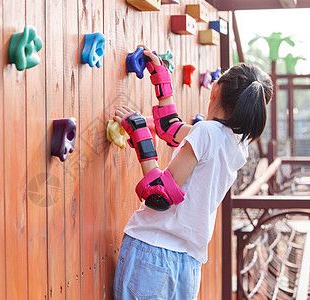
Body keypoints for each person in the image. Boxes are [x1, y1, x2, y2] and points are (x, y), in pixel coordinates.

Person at [112, 45, 273, 300]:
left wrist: (140, 134)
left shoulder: (207, 133)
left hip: (153, 250)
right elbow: (169, 128)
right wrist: (161, 79)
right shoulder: (235, 144)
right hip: (189, 264)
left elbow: (160, 195)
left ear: (217, 88)